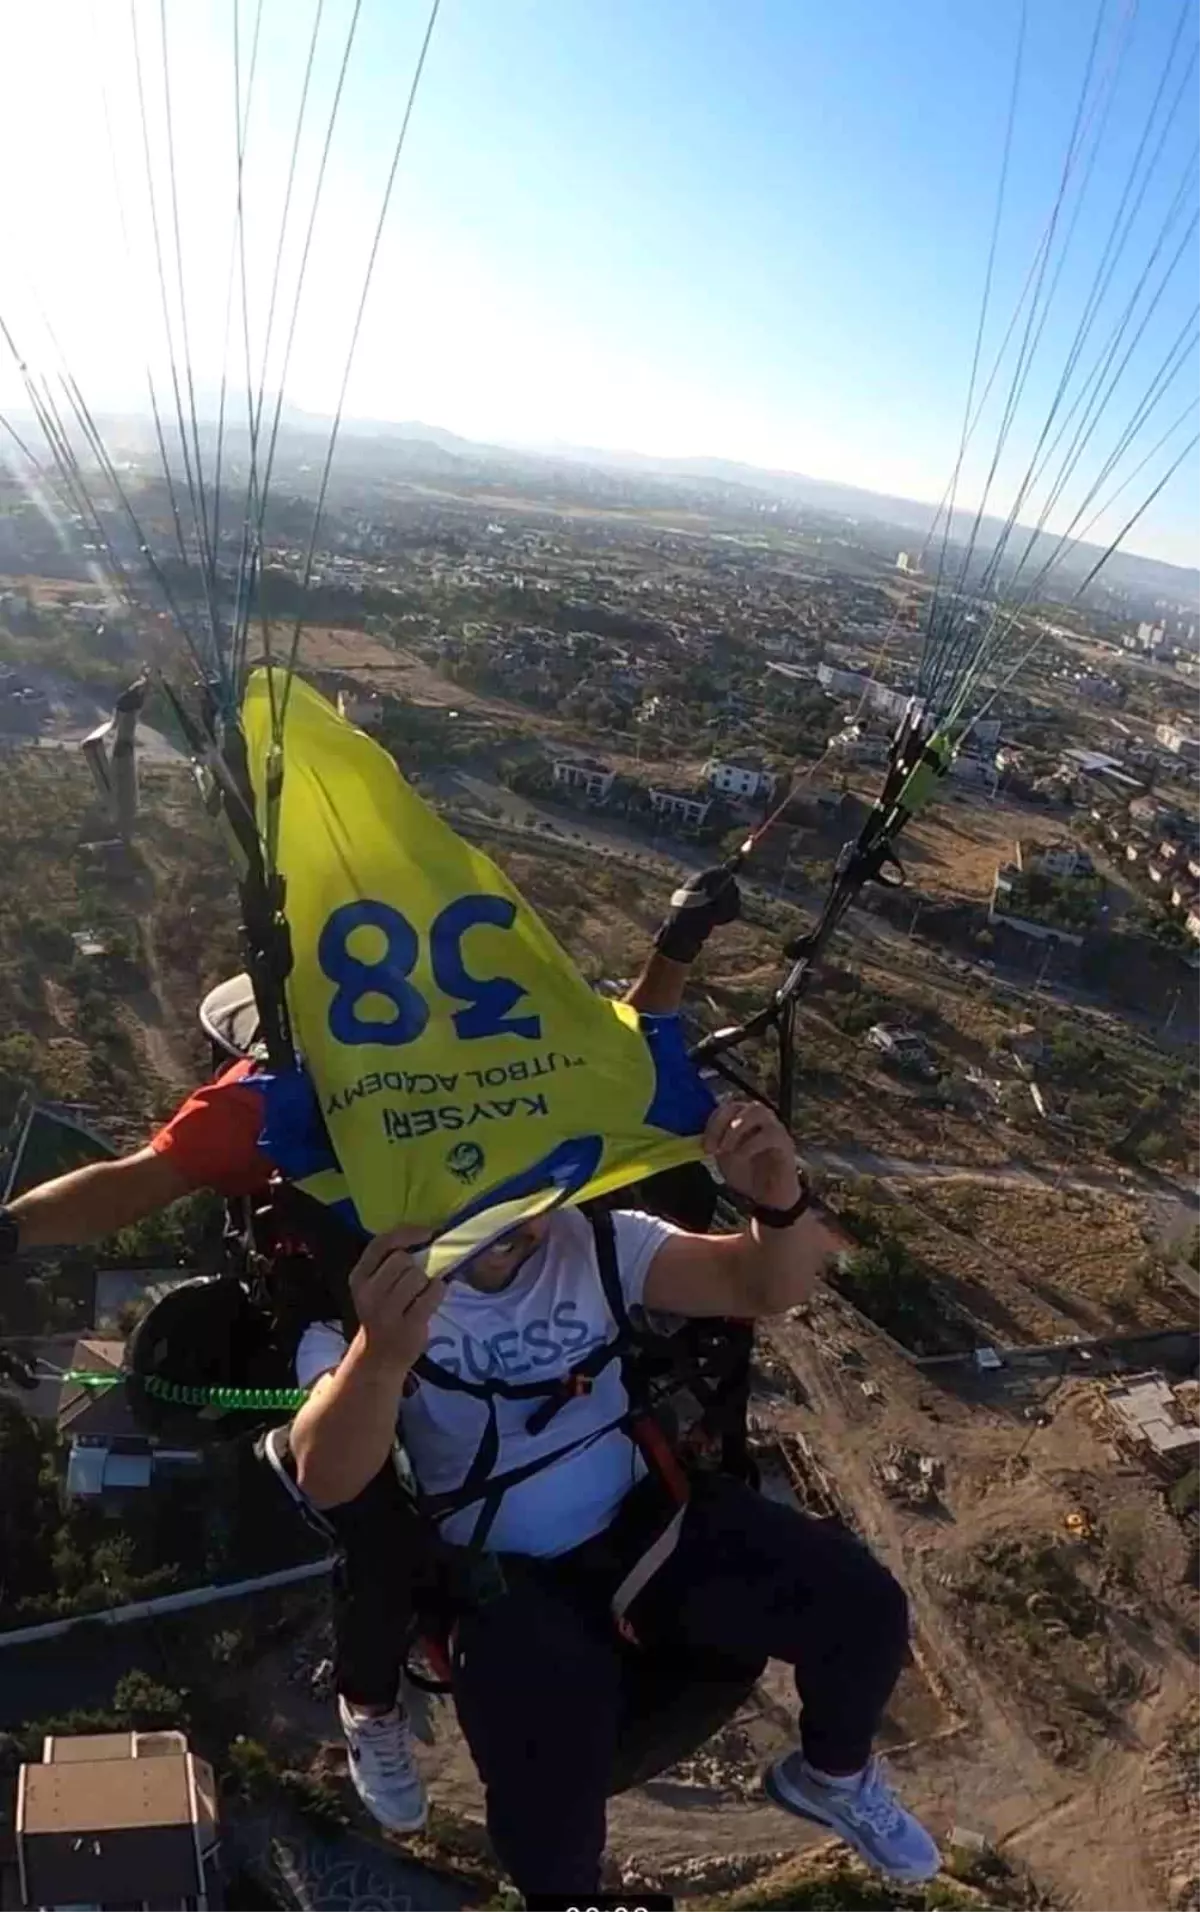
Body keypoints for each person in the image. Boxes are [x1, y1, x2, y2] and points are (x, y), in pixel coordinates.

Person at [0, 863, 745, 1836]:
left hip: (489, 1291)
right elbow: (130, 1183)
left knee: (628, 1348)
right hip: (347, 1318)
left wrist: (676, 948)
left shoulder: (482, 1053)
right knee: (369, 1510)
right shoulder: (268, 1100)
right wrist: (10, 1232)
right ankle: (372, 1700)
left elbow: (611, 1060)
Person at [289, 1100, 941, 1894]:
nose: (509, 1226)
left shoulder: (597, 1243)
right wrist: (382, 1356)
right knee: (551, 1781)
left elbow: (760, 1283)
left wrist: (778, 1203)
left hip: (647, 1527)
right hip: (507, 1577)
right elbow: (328, 1473)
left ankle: (831, 1774)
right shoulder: (365, 1306)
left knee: (864, 1607)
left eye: (520, 1196)